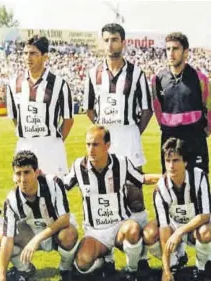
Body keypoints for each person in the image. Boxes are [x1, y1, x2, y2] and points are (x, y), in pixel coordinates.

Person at [83, 23, 153, 267]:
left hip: (129, 136)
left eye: (115, 39)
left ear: (123, 42)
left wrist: (132, 131)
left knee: (134, 196)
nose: (110, 44)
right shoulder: (93, 74)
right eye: (107, 40)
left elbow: (147, 109)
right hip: (105, 140)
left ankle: (139, 256)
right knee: (105, 191)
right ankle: (108, 252)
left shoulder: (137, 74)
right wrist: (105, 131)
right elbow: (89, 108)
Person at [63, 125, 160, 280]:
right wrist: (39, 180)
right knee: (82, 262)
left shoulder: (121, 163)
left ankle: (131, 270)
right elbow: (61, 185)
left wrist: (166, 177)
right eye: (88, 144)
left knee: (133, 230)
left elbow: (142, 178)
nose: (90, 149)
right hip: (95, 232)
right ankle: (104, 261)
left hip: (119, 226)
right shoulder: (78, 166)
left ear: (107, 146)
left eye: (95, 144)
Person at [0, 150, 79, 281]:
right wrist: (1, 275)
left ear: (36, 172)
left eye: (27, 172)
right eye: (18, 173)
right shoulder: (11, 199)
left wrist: (37, 240)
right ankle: (25, 269)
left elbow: (64, 219)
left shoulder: (53, 184)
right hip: (31, 232)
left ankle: (66, 268)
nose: (22, 179)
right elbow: (8, 239)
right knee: (1, 234)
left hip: (56, 231)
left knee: (68, 234)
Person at [142, 138, 211, 281]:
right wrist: (165, 270)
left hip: (196, 228)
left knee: (206, 232)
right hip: (173, 227)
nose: (171, 166)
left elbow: (205, 215)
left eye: (176, 160)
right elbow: (164, 228)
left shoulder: (199, 177)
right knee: (149, 234)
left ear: (185, 162)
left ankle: (202, 265)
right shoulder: (161, 188)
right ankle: (175, 261)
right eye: (167, 161)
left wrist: (180, 232)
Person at [6, 36, 73, 176]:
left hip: (51, 147)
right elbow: (14, 117)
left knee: (54, 193)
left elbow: (68, 119)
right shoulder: (14, 84)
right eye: (25, 53)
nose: (28, 57)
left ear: (45, 57)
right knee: (25, 192)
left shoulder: (59, 84)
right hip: (25, 145)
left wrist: (54, 140)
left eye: (33, 54)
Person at [152, 32, 210, 174]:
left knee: (198, 184)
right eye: (168, 49)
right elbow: (158, 109)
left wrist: (204, 130)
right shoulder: (158, 79)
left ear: (185, 52)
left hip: (194, 137)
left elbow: (208, 106)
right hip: (169, 138)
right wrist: (168, 127)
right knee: (171, 185)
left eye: (175, 49)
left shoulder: (200, 78)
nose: (171, 53)